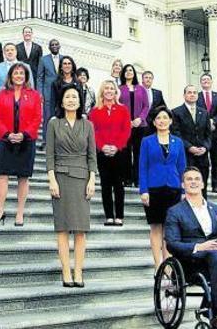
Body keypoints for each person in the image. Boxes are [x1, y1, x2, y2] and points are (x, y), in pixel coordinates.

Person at [164, 167, 217, 329]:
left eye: (197, 179)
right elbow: (172, 244)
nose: (193, 182)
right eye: (189, 179)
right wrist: (200, 246)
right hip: (192, 261)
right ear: (183, 185)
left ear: (202, 184)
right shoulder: (175, 212)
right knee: (215, 256)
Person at [47, 85, 97, 287]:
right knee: (62, 228)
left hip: (82, 178)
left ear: (80, 101)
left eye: (74, 96)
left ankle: (79, 272)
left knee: (80, 229)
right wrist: (52, 179)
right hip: (60, 176)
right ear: (61, 101)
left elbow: (92, 156)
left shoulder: (88, 125)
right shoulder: (54, 124)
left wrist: (92, 179)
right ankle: (66, 272)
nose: (71, 100)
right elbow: (49, 155)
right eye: (67, 96)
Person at [0, 63, 42, 226]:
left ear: (26, 76)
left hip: (26, 140)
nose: (18, 76)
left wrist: (23, 134)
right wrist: (7, 134)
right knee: (2, 176)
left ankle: (20, 213)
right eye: (16, 73)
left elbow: (37, 117)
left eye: (21, 73)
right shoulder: (1, 94)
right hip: (7, 140)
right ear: (10, 76)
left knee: (23, 177)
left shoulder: (34, 95)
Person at [139, 106, 187, 268]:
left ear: (171, 121)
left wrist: (183, 190)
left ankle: (168, 264)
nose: (162, 121)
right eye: (158, 118)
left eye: (165, 118)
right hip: (154, 189)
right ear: (154, 121)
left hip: (173, 188)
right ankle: (158, 264)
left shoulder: (178, 142)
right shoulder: (147, 141)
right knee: (156, 226)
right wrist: (143, 191)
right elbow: (142, 167)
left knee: (170, 229)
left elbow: (182, 167)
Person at [88, 80, 131, 226]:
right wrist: (102, 146)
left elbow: (126, 130)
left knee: (119, 184)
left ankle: (119, 216)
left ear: (115, 91)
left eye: (111, 88)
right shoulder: (95, 111)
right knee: (105, 184)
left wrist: (117, 146)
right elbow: (93, 131)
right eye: (106, 88)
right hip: (102, 152)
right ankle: (109, 216)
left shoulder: (123, 109)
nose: (109, 91)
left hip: (119, 152)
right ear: (102, 91)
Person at [171, 84, 212, 195]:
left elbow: (208, 135)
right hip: (185, 156)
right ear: (184, 95)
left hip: (202, 157)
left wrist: (205, 147)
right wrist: (189, 147)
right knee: (186, 189)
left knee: (201, 190)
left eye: (194, 92)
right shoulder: (176, 112)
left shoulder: (204, 113)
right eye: (189, 92)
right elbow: (176, 134)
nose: (192, 95)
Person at [119, 64, 149, 187]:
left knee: (138, 153)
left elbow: (146, 106)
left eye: (131, 70)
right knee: (125, 153)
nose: (128, 72)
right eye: (126, 70)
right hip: (124, 126)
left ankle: (137, 179)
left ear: (134, 73)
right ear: (123, 74)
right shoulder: (119, 88)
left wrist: (140, 119)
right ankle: (127, 179)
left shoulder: (141, 88)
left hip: (140, 126)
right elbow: (117, 106)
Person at [197, 73, 217, 193]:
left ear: (211, 81)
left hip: (216, 131)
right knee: (203, 160)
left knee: (216, 160)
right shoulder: (197, 96)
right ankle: (201, 184)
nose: (205, 81)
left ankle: (216, 185)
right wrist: (205, 121)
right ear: (201, 82)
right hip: (201, 132)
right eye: (203, 80)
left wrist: (213, 121)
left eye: (207, 79)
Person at [37, 38, 62, 144]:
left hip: (61, 92)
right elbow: (39, 77)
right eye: (52, 45)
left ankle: (59, 139)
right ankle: (45, 140)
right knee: (48, 116)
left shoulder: (64, 59)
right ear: (49, 47)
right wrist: (40, 93)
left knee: (60, 116)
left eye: (56, 44)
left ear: (59, 46)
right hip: (48, 92)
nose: (55, 46)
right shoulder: (43, 59)